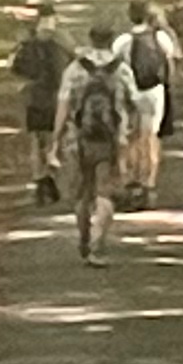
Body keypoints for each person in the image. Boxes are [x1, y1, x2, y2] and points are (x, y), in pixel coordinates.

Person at [56, 22, 138, 259]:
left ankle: (83, 236)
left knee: (82, 193)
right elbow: (134, 104)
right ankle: (97, 242)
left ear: (91, 39)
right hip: (111, 140)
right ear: (111, 40)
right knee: (105, 193)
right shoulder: (121, 69)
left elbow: (63, 105)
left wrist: (56, 139)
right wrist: (129, 134)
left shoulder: (75, 69)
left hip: (79, 138)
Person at [11, 0, 67, 202]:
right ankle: (51, 173)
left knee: (36, 140)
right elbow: (75, 63)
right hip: (57, 97)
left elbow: (15, 68)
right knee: (54, 138)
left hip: (35, 97)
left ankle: (39, 179)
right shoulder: (62, 40)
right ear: (55, 18)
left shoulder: (28, 41)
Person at [121, 0, 172, 200]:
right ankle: (149, 183)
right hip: (154, 92)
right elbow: (170, 65)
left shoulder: (124, 41)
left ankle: (132, 178)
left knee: (132, 137)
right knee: (151, 137)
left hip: (132, 91)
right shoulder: (161, 38)